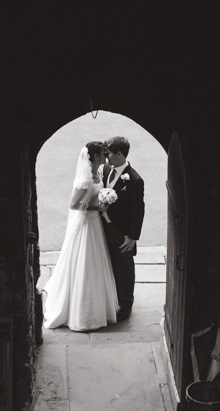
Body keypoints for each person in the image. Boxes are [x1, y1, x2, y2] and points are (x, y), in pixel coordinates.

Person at [41, 141, 119, 331]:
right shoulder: (83, 179)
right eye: (102, 153)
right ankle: (82, 313)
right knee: (84, 263)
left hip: (95, 226)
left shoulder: (98, 173)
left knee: (97, 264)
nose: (105, 155)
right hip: (86, 225)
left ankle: (99, 307)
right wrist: (97, 207)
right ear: (93, 157)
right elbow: (74, 205)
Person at [101, 136, 145, 321]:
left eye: (109, 153)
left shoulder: (134, 179)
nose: (106, 156)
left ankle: (126, 304)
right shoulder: (106, 169)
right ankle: (113, 300)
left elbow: (138, 210)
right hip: (105, 228)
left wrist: (132, 237)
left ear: (119, 154)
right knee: (110, 265)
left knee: (125, 269)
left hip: (123, 233)